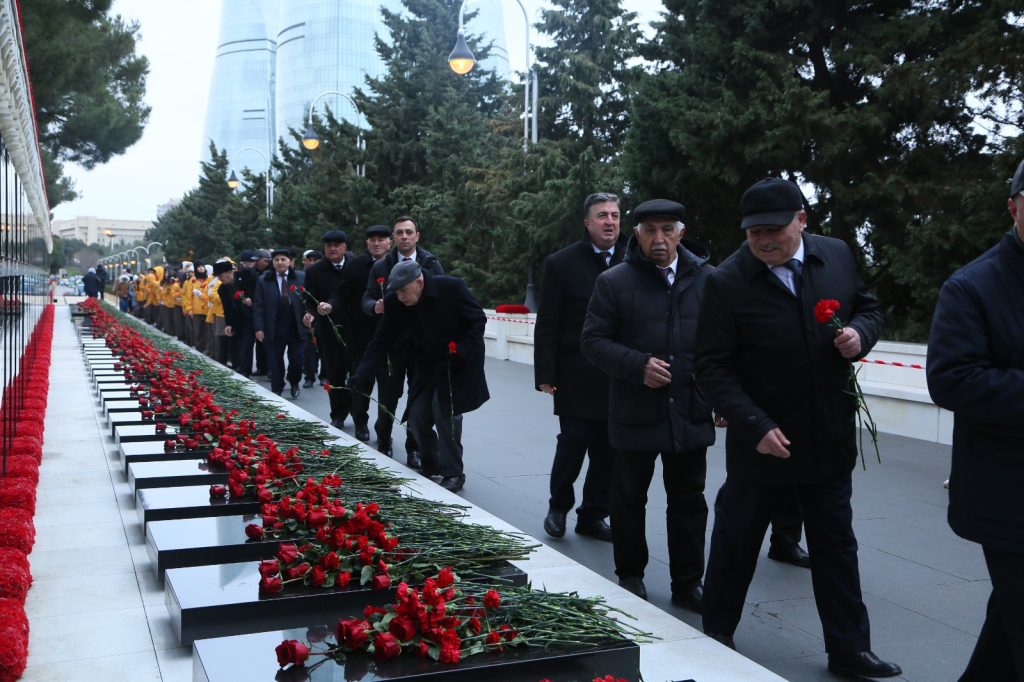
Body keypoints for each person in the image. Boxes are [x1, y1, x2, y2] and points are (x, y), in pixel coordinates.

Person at [696, 178, 899, 678]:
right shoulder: (727, 281)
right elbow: (711, 366)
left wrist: (860, 335)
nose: (765, 241)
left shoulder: (836, 255)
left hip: (827, 434)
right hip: (762, 442)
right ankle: (716, 634)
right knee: (737, 541)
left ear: (802, 221)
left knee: (836, 545)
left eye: (775, 230)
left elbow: (869, 308)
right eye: (754, 233)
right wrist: (753, 424)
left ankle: (850, 650)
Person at [580, 199, 714, 613]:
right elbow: (593, 341)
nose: (659, 238)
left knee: (689, 500)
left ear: (681, 233)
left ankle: (688, 583)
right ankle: (630, 574)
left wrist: (721, 398)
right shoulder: (614, 282)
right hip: (634, 409)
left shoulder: (708, 280)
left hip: (689, 409)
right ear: (636, 235)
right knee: (628, 497)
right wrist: (638, 366)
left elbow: (723, 344)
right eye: (650, 230)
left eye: (667, 230)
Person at [926, 160, 1024, 682]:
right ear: (1012, 208)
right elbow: (951, 379)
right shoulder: (972, 286)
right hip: (1008, 495)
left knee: (1006, 634)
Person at [350, 260, 488, 493]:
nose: (401, 297)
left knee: (445, 413)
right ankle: (433, 463)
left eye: (404, 290)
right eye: (397, 292)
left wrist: (461, 350)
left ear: (419, 281)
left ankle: (453, 473)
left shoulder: (452, 288)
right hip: (427, 364)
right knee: (416, 416)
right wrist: (363, 373)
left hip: (457, 362)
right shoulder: (395, 302)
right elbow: (381, 340)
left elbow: (477, 320)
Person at [535, 192, 625, 543]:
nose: (609, 221)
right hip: (576, 374)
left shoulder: (634, 258)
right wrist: (546, 373)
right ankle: (558, 507)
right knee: (573, 443)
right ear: (587, 222)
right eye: (602, 215)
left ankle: (593, 515)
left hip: (619, 374)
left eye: (615, 215)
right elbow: (548, 322)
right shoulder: (562, 263)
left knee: (609, 451)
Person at [361, 216, 444, 463]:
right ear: (393, 238)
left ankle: (414, 448)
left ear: (417, 235)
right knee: (388, 395)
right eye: (399, 232)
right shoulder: (381, 266)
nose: (404, 236)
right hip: (391, 345)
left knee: (418, 399)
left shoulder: (431, 263)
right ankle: (384, 440)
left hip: (422, 345)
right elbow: (366, 298)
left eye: (409, 232)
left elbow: (441, 298)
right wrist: (374, 306)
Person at [324, 225, 391, 443]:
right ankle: (360, 422)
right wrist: (330, 305)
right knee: (360, 384)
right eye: (372, 240)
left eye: (381, 239)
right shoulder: (355, 265)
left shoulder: (398, 265)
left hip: (392, 338)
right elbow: (341, 293)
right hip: (361, 337)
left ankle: (384, 432)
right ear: (366, 243)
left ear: (389, 242)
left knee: (389, 389)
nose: (377, 243)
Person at [302, 230, 360, 433]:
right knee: (335, 375)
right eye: (329, 246)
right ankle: (338, 414)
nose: (333, 249)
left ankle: (360, 418)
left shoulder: (356, 265)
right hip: (328, 330)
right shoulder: (315, 271)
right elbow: (308, 300)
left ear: (345, 247)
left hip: (356, 330)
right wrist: (310, 314)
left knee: (358, 375)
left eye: (337, 245)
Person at [233, 250, 260, 377]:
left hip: (254, 313)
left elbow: (260, 293)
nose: (252, 263)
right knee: (244, 342)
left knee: (253, 342)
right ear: (243, 262)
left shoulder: (256, 275)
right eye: (249, 261)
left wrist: (252, 301)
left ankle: (259, 368)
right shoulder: (237, 275)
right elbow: (235, 292)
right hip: (242, 315)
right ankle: (244, 367)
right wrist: (242, 299)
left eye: (253, 261)